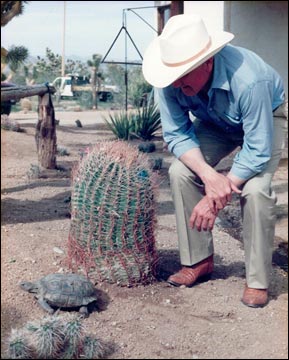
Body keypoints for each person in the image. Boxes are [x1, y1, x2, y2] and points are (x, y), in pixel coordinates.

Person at [142, 14, 287, 308]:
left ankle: (257, 280)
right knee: (181, 170)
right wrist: (210, 176)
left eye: (184, 74)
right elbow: (177, 135)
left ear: (207, 62)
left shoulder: (250, 79)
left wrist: (216, 195)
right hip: (215, 121)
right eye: (174, 74)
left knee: (256, 189)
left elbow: (257, 148)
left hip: (265, 118)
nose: (176, 82)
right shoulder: (170, 78)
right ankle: (198, 261)